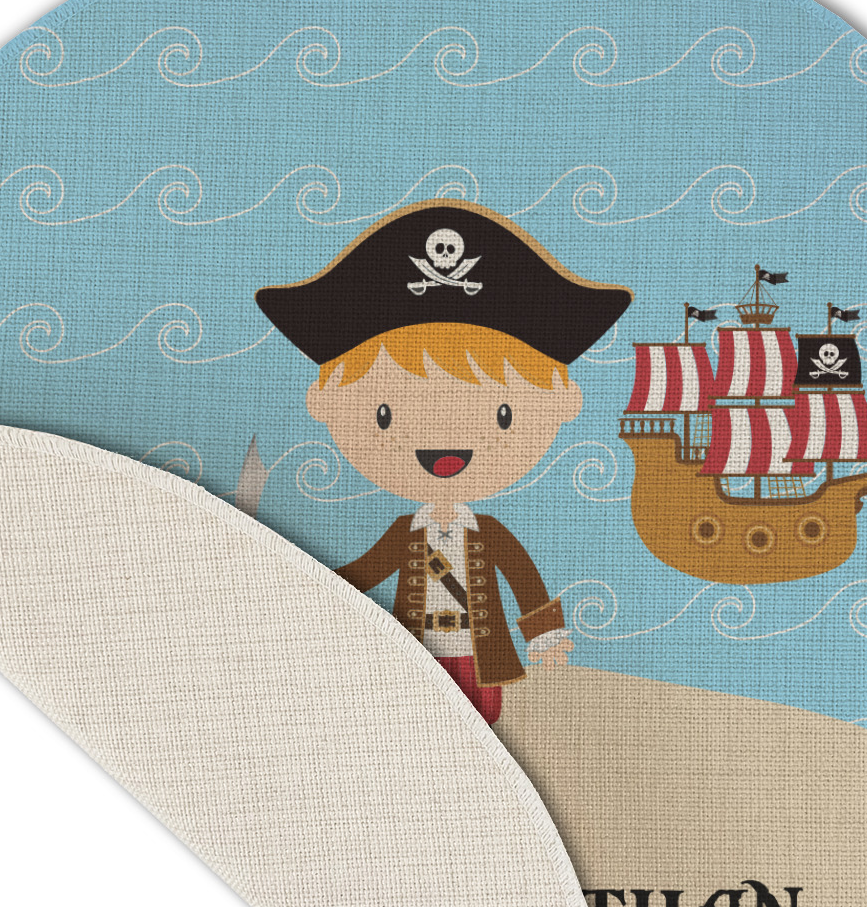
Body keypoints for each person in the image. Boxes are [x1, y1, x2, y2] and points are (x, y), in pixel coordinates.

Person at [255, 200, 632, 723]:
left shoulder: (488, 533)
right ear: (325, 403)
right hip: (414, 649)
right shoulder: (405, 534)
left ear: (562, 403)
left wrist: (544, 633)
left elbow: (522, 575)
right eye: (385, 414)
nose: (442, 439)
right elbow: (363, 571)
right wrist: (301, 584)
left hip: (479, 653)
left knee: (481, 723)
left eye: (502, 414)